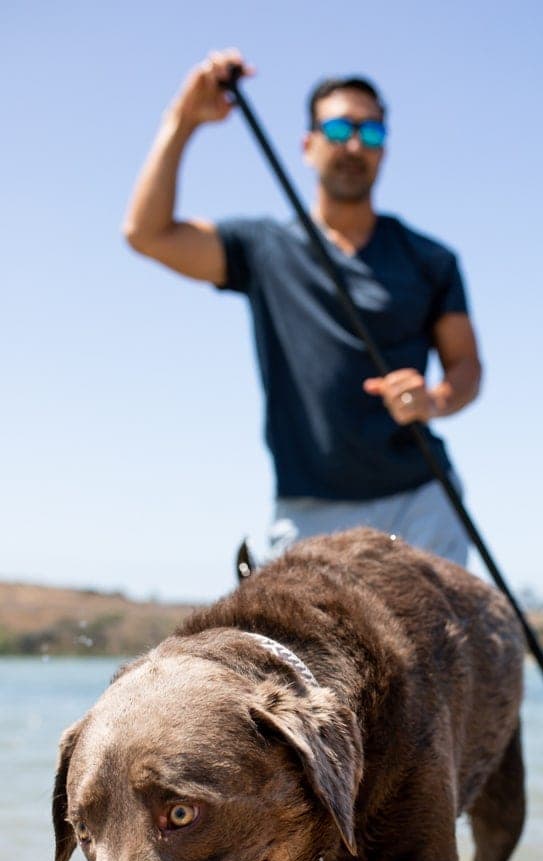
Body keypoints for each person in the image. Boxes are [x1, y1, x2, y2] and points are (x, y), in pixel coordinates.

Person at [123, 49, 482, 565]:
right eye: (338, 129)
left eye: (372, 132)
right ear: (308, 144)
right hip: (308, 515)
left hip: (421, 504)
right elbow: (147, 234)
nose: (355, 144)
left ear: (385, 149)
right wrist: (182, 122)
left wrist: (436, 400)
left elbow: (466, 366)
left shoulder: (430, 259)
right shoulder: (263, 248)